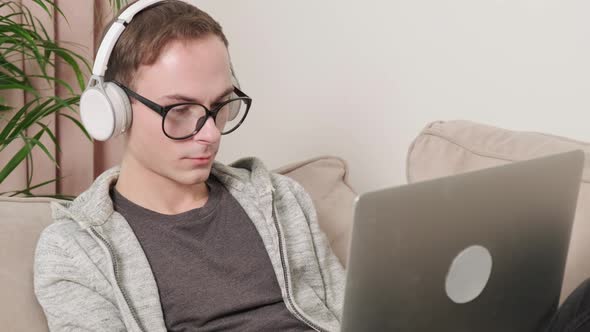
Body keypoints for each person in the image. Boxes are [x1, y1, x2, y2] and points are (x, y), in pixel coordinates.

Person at [33, 1, 344, 331]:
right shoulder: (73, 251)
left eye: (220, 105)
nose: (210, 134)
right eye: (179, 110)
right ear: (115, 111)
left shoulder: (281, 199)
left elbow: (351, 314)